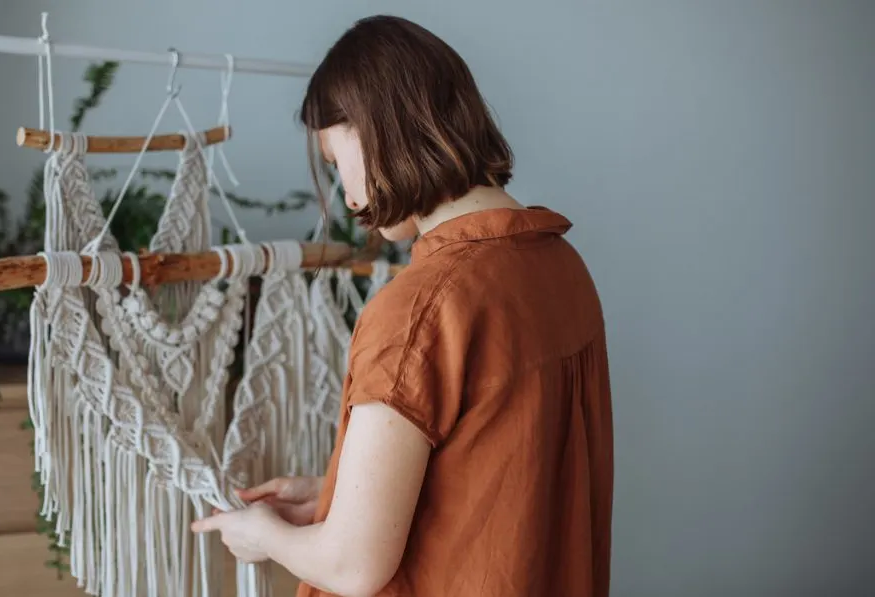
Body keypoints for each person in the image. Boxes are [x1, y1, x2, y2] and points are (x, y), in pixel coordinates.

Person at [191, 14, 614, 597]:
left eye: (339, 165)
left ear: (378, 130)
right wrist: (341, 490)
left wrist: (262, 535)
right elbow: (498, 476)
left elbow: (352, 567)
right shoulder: (561, 268)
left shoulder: (421, 308)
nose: (347, 195)